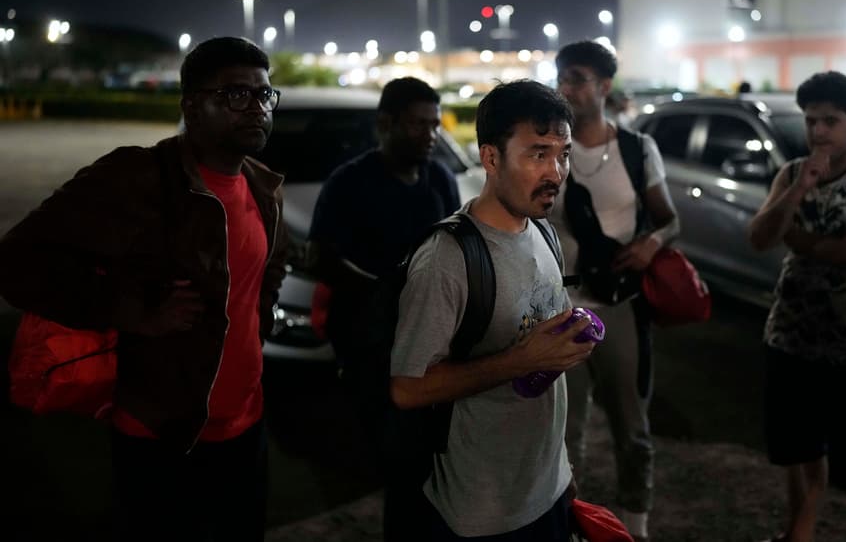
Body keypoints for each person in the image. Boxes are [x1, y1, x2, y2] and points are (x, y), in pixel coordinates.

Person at [0, 37, 288, 541]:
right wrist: (126, 311)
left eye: (265, 95)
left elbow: (266, 276)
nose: (258, 108)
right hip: (160, 430)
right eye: (237, 94)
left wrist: (259, 328)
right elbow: (16, 260)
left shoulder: (263, 185)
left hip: (247, 425)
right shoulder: (137, 177)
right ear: (192, 106)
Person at [389, 80, 594, 540]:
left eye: (563, 154)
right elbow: (406, 388)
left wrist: (562, 472)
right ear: (491, 157)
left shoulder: (543, 233)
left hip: (548, 487)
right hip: (482, 513)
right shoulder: (448, 258)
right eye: (538, 153)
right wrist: (522, 360)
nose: (556, 172)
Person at [747, 71, 846, 542]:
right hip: (791, 337)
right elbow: (759, 238)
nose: (817, 132)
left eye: (830, 121)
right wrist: (799, 190)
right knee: (799, 452)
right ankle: (799, 533)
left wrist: (793, 236)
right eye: (811, 121)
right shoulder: (793, 173)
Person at [551, 40, 680, 542]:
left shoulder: (635, 148)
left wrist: (652, 241)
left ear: (604, 87)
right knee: (564, 436)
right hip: (559, 306)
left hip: (618, 304)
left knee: (632, 428)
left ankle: (636, 526)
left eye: (577, 77)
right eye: (561, 76)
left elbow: (670, 219)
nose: (566, 86)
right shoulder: (547, 148)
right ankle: (566, 525)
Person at [307, 76, 460, 369]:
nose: (430, 135)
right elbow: (320, 258)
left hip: (430, 326)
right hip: (366, 332)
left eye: (434, 125)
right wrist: (383, 291)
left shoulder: (441, 178)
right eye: (418, 124)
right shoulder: (349, 181)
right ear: (385, 124)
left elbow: (456, 241)